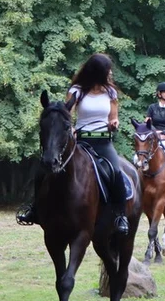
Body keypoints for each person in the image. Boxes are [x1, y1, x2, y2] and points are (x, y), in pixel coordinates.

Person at [16, 53, 129, 235]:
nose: (110, 74)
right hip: (81, 141)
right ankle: (34, 209)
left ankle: (120, 215)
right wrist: (72, 130)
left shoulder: (111, 93)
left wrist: (114, 123)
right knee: (42, 171)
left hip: (102, 141)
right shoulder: (76, 91)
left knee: (116, 172)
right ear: (97, 72)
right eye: (107, 71)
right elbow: (68, 115)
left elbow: (114, 117)